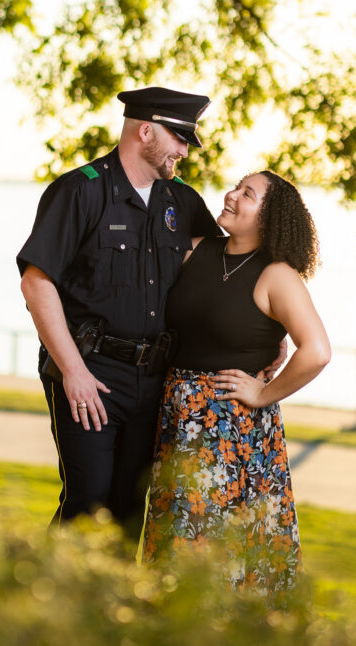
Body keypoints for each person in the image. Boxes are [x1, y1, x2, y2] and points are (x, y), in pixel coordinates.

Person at [17, 85, 222, 533]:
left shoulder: (181, 201)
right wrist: (72, 371)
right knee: (87, 506)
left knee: (130, 511)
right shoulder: (80, 192)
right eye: (179, 138)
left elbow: (228, 267)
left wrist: (274, 328)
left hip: (154, 377)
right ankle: (43, 601)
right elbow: (36, 284)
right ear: (146, 131)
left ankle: (110, 605)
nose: (184, 151)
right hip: (91, 370)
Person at [141, 170, 331, 592]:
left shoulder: (277, 275)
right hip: (178, 421)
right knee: (174, 539)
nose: (231, 195)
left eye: (247, 194)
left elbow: (316, 351)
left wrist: (263, 393)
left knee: (219, 546)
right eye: (236, 186)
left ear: (269, 218)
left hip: (233, 432)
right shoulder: (196, 251)